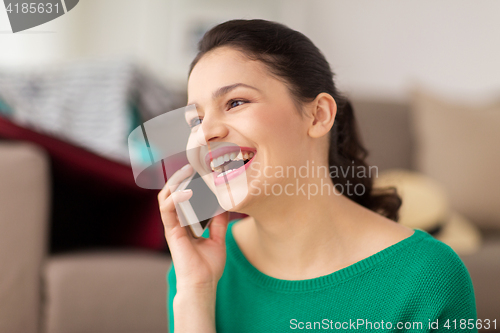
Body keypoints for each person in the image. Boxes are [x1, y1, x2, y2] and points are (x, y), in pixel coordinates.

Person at [158, 19, 477, 332]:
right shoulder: (197, 270)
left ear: (318, 115)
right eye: (195, 122)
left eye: (235, 102)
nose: (205, 135)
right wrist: (195, 292)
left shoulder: (429, 277)